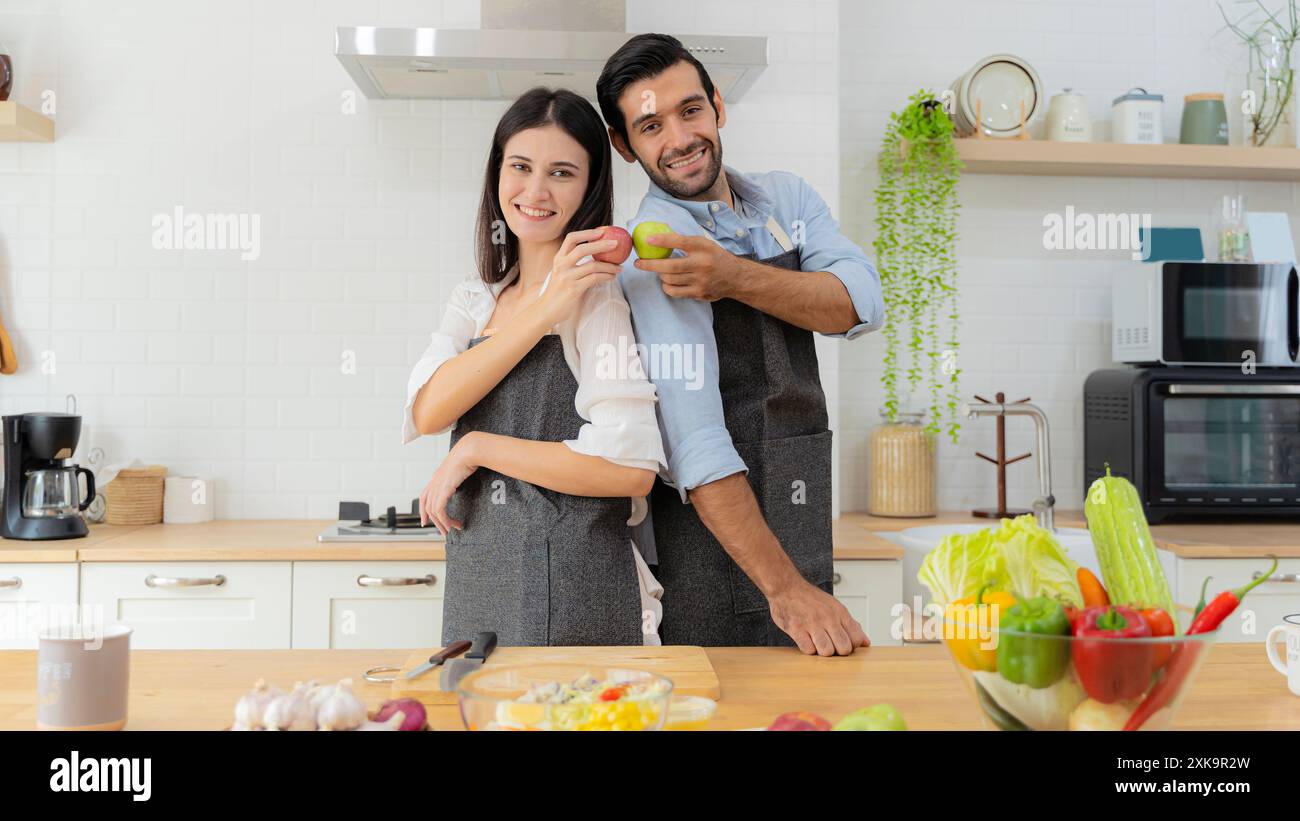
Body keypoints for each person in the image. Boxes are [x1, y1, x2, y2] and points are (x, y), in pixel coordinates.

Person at [596, 34, 885, 655]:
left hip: (800, 498)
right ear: (625, 146)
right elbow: (695, 441)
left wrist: (734, 277)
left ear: (718, 106)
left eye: (689, 110)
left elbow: (859, 303)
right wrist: (784, 588)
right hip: (718, 541)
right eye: (650, 126)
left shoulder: (785, 199)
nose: (678, 139)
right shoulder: (653, 247)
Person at [403, 87, 667, 647]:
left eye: (562, 173)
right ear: (497, 174)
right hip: (481, 576)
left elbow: (629, 469)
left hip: (574, 589)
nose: (536, 191)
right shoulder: (477, 297)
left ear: (589, 186)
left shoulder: (598, 301)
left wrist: (476, 447)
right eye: (520, 166)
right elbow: (428, 409)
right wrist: (543, 307)